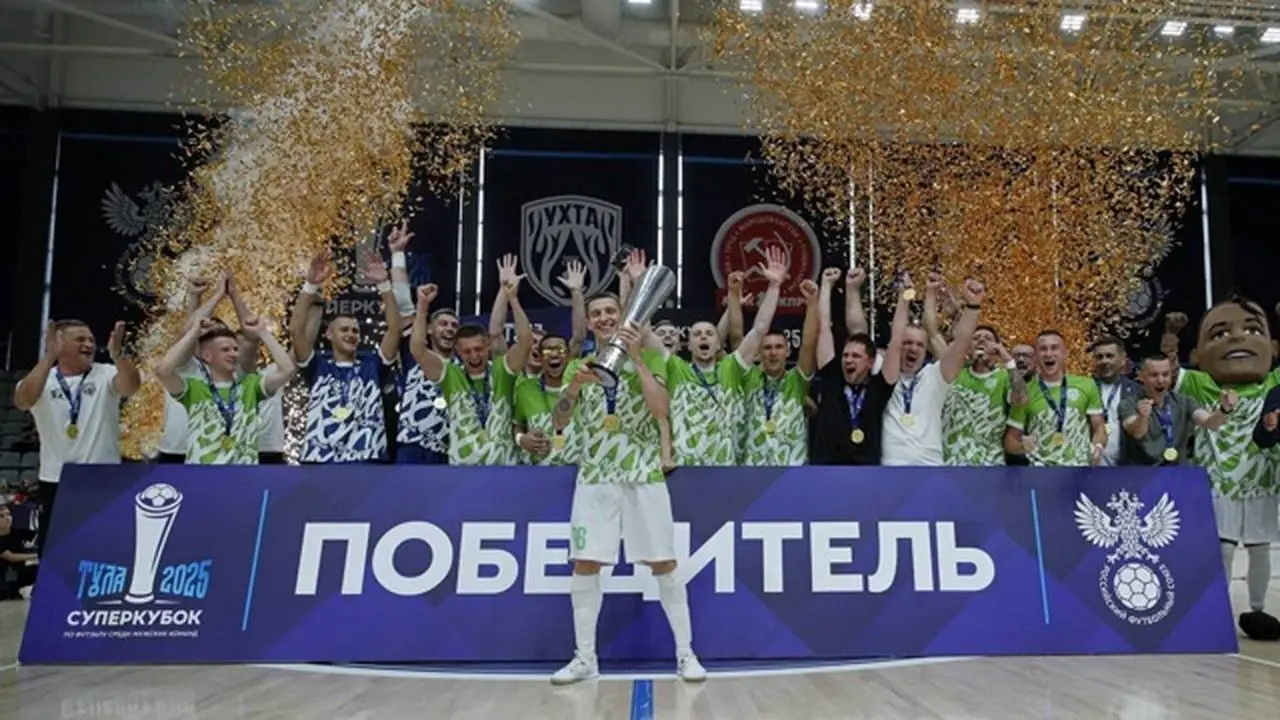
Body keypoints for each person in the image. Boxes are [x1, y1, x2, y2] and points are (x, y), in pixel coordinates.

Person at [549, 293, 705, 685]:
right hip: (595, 477)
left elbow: (660, 410)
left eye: (610, 312)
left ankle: (686, 654)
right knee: (585, 563)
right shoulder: (579, 366)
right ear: (589, 322)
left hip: (643, 475)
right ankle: (585, 658)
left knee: (664, 563)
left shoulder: (650, 357)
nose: (603, 318)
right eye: (596, 314)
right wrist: (573, 388)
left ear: (622, 317)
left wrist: (635, 359)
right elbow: (559, 422)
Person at [1162, 298, 1280, 640]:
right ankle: (1217, 611)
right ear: (1197, 355)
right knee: (1223, 550)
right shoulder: (1201, 384)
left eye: (1252, 330)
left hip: (1261, 481)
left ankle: (1258, 610)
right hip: (1217, 483)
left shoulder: (1272, 384)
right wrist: (1171, 335)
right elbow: (1168, 371)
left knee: (1259, 549)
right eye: (1220, 334)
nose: (1237, 338)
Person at [13, 319, 140, 553]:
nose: (89, 344)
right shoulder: (42, 378)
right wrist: (49, 356)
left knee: (105, 548)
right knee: (55, 551)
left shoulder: (105, 372)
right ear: (58, 343)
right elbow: (23, 401)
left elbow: (131, 386)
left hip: (102, 476)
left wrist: (118, 355)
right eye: (80, 339)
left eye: (91, 340)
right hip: (56, 479)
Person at [668, 247, 787, 466]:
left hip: (726, 469)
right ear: (689, 345)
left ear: (718, 344)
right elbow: (644, 334)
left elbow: (760, 329)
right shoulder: (676, 368)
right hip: (684, 470)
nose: (703, 337)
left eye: (709, 333)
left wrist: (774, 286)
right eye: (697, 334)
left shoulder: (731, 367)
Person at [411, 262, 533, 466]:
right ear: (458, 351)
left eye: (478, 349)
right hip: (462, 472)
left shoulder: (502, 370)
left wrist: (512, 298)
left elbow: (525, 342)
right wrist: (422, 307)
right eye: (466, 351)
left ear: (488, 346)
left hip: (502, 469)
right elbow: (417, 350)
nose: (474, 355)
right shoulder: (451, 374)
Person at [290, 252, 402, 464]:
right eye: (344, 330)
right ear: (329, 334)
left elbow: (395, 330)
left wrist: (384, 285)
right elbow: (296, 331)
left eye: (355, 331)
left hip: (367, 461)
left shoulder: (373, 366)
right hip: (321, 461)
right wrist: (310, 286)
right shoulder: (317, 366)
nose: (351, 334)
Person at [156, 317, 296, 464]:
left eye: (235, 349)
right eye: (225, 350)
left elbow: (287, 369)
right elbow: (163, 371)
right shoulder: (195, 388)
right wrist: (193, 333)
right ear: (207, 356)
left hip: (243, 474)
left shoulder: (250, 386)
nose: (233, 354)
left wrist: (263, 332)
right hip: (200, 474)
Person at [881, 274, 984, 466]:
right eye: (907, 343)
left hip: (931, 466)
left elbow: (961, 343)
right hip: (891, 467)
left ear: (926, 349)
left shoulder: (935, 375)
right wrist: (905, 296)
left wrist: (972, 306)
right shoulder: (883, 373)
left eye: (920, 345)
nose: (913, 348)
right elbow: (895, 337)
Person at [810, 268, 899, 465]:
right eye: (845, 355)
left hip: (867, 473)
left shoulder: (878, 387)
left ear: (870, 362)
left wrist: (904, 297)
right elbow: (824, 327)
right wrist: (826, 286)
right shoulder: (832, 379)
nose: (848, 360)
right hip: (826, 471)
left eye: (856, 356)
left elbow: (896, 341)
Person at [741, 278, 820, 466]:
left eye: (779, 347)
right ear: (758, 353)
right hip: (753, 470)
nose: (773, 353)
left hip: (793, 471)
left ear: (788, 351)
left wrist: (812, 304)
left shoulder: (797, 381)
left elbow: (808, 343)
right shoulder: (748, 378)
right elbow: (737, 337)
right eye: (767, 348)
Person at [1004, 330, 1106, 467]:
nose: (1048, 353)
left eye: (1054, 348)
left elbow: (1099, 426)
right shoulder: (1024, 392)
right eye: (1043, 349)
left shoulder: (1087, 384)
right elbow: (1009, 441)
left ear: (1065, 353)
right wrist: (1021, 446)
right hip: (1041, 471)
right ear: (1036, 356)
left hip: (1079, 469)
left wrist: (1098, 446)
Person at [1121, 354, 1231, 466]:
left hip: (1177, 471)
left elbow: (1210, 423)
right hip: (1141, 471)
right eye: (1154, 375)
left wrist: (1224, 409)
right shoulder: (1128, 403)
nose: (1160, 380)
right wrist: (1142, 417)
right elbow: (1137, 433)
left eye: (1165, 374)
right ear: (1141, 376)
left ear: (1171, 375)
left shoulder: (1184, 402)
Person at [943, 325, 1028, 466]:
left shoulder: (1004, 377)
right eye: (976, 338)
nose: (981, 340)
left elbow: (1022, 398)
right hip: (953, 464)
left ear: (997, 347)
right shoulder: (955, 374)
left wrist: (1007, 359)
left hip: (990, 465)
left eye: (988, 338)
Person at [512, 334, 579, 466]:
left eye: (559, 350)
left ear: (569, 355)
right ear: (540, 358)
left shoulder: (582, 386)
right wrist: (521, 439)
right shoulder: (525, 389)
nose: (554, 355)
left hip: (578, 470)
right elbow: (517, 425)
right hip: (538, 472)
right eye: (547, 351)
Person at [1090, 335, 1142, 467]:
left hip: (1126, 466)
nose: (1104, 361)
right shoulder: (1085, 388)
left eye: (1109, 356)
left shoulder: (1137, 391)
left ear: (1123, 360)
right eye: (1099, 357)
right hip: (1091, 464)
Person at [0, 505, 37, 600]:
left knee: (41, 569)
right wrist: (37, 555)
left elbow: (37, 536)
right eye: (1, 516)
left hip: (18, 573)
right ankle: (10, 590)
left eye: (8, 514)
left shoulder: (17, 533)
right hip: (3, 575)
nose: (7, 518)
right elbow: (10, 557)